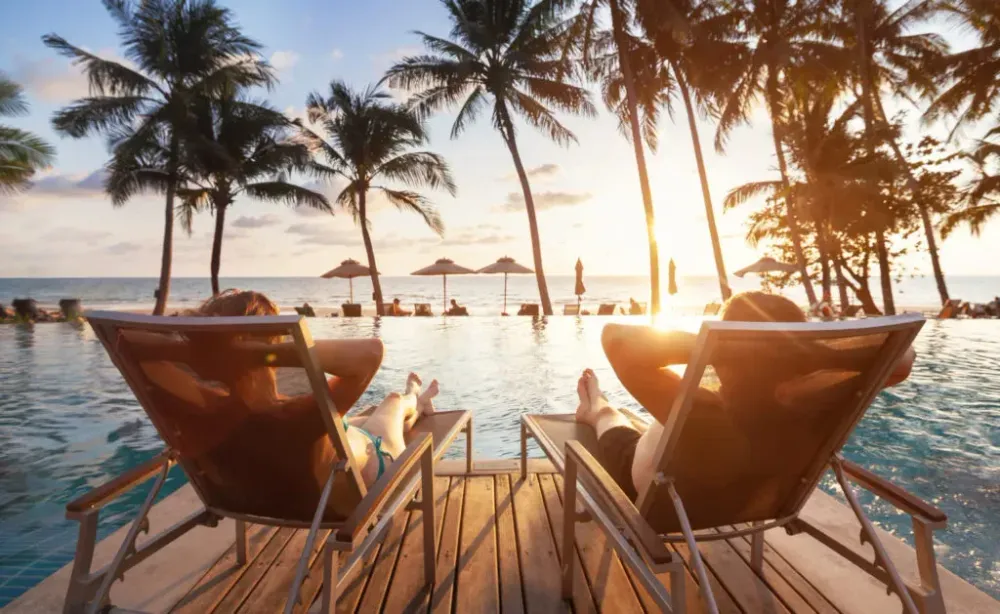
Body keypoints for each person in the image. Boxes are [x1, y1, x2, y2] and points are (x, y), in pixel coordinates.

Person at [572, 291, 917, 501]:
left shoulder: (708, 412)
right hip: (741, 491)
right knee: (646, 422)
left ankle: (596, 407)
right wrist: (798, 350)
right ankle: (602, 408)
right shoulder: (816, 403)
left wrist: (725, 347)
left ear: (724, 359)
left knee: (608, 419)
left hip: (643, 476)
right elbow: (902, 358)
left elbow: (615, 338)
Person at [181, 290, 438, 491]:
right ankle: (415, 393)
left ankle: (420, 403)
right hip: (376, 463)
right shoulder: (298, 413)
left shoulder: (211, 405)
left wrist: (214, 351)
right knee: (393, 401)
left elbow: (153, 342)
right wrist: (270, 351)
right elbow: (372, 351)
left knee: (367, 418)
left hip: (284, 483)